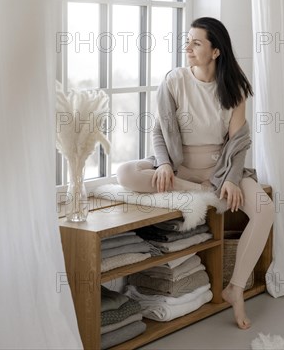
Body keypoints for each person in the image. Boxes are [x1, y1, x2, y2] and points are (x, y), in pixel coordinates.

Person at [116, 17, 274, 330]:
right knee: (126, 172)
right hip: (180, 168)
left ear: (216, 51)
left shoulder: (235, 88)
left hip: (220, 169)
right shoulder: (174, 80)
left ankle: (236, 289)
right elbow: (159, 131)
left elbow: (239, 143)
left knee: (265, 209)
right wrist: (162, 164)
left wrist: (230, 179)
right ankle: (196, 189)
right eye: (188, 40)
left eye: (196, 42)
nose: (187, 47)